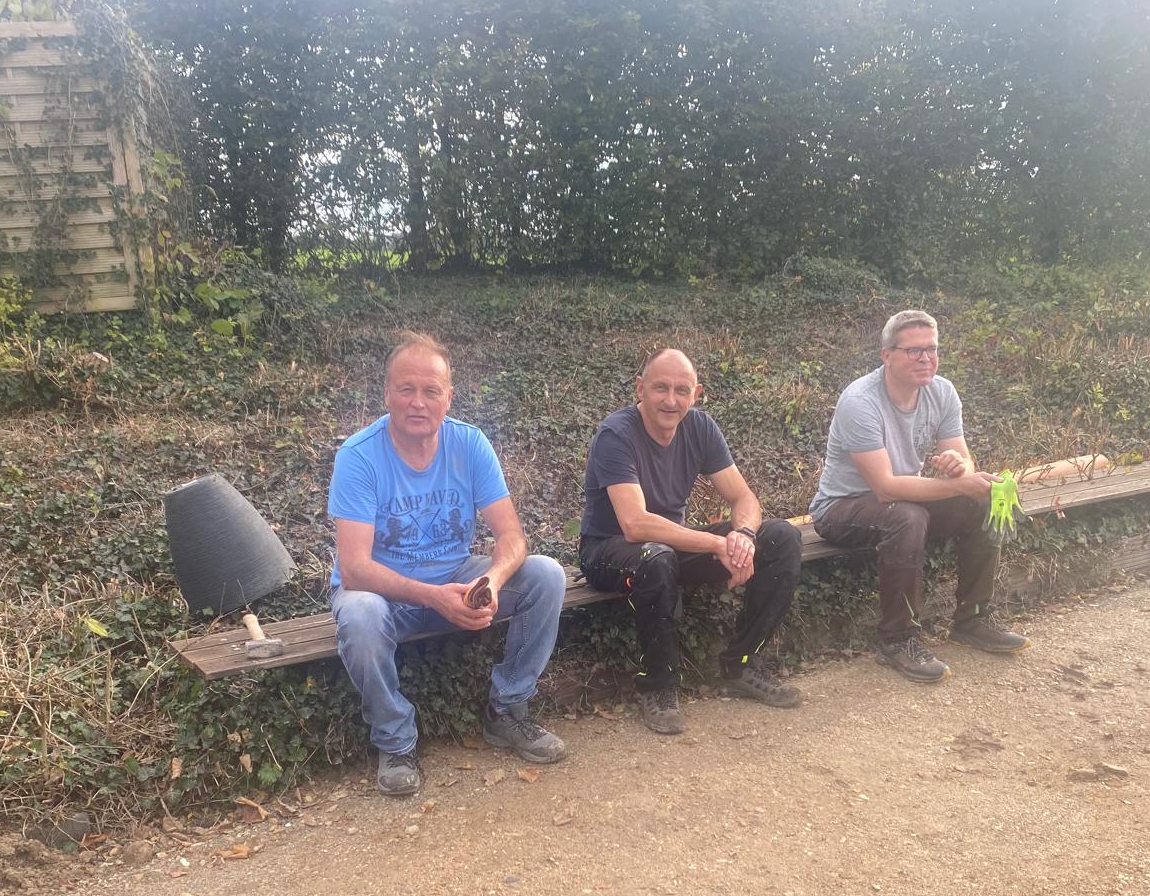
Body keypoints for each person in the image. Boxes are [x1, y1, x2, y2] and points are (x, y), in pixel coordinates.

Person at [328, 332, 567, 796]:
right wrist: (432, 597)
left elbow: (512, 537)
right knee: (359, 613)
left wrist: (491, 581)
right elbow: (354, 569)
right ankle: (395, 741)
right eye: (406, 389)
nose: (418, 402)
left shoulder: (470, 444)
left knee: (546, 575)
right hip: (384, 594)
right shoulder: (358, 457)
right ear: (387, 393)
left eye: (430, 391)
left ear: (448, 397)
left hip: (455, 578)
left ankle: (507, 710)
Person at [578, 348, 804, 734]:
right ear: (640, 388)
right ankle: (659, 686)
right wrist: (717, 544)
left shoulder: (699, 427)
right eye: (660, 388)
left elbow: (744, 498)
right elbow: (634, 524)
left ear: (695, 394)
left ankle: (742, 665)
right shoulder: (616, 433)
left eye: (681, 390)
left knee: (782, 537)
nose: (671, 400)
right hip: (608, 549)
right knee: (655, 556)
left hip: (670, 547)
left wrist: (743, 537)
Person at [810, 309, 1029, 682]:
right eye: (914, 350)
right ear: (887, 355)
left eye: (932, 349)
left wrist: (959, 467)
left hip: (902, 502)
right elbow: (885, 487)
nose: (926, 358)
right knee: (907, 516)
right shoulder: (860, 401)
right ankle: (897, 638)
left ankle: (973, 619)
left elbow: (965, 460)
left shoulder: (941, 391)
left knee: (979, 500)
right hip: (841, 509)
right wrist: (957, 484)